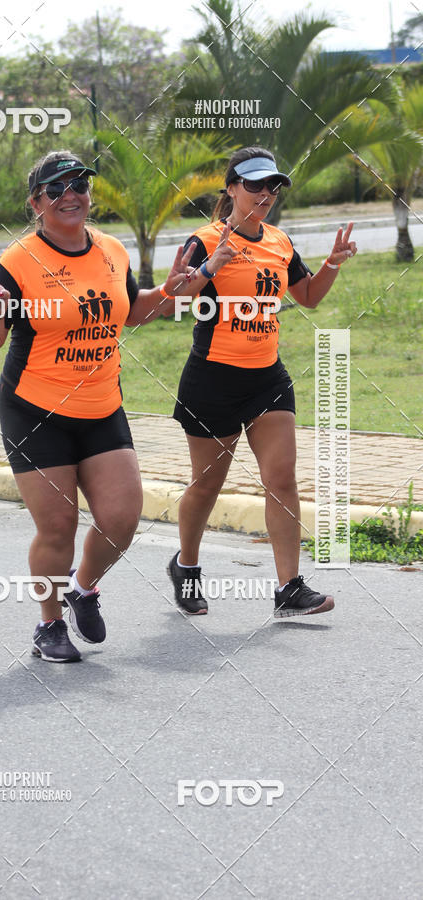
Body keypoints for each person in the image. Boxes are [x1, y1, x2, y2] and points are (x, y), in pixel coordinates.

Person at [0, 150, 191, 662]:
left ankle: (83, 589)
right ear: (36, 203)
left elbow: (131, 312)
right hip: (34, 409)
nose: (71, 194)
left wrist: (169, 292)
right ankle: (48, 627)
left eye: (79, 184)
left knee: (122, 517)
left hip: (100, 404)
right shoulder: (18, 261)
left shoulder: (112, 250)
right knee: (58, 526)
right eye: (56, 188)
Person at [167, 146, 357, 618]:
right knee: (207, 486)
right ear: (231, 187)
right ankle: (186, 566)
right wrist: (212, 265)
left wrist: (331, 263)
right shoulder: (205, 238)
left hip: (267, 379)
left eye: (272, 186)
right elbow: (175, 293)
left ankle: (289, 587)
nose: (265, 194)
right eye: (254, 184)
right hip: (212, 380)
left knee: (282, 480)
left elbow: (308, 296)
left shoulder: (279, 241)